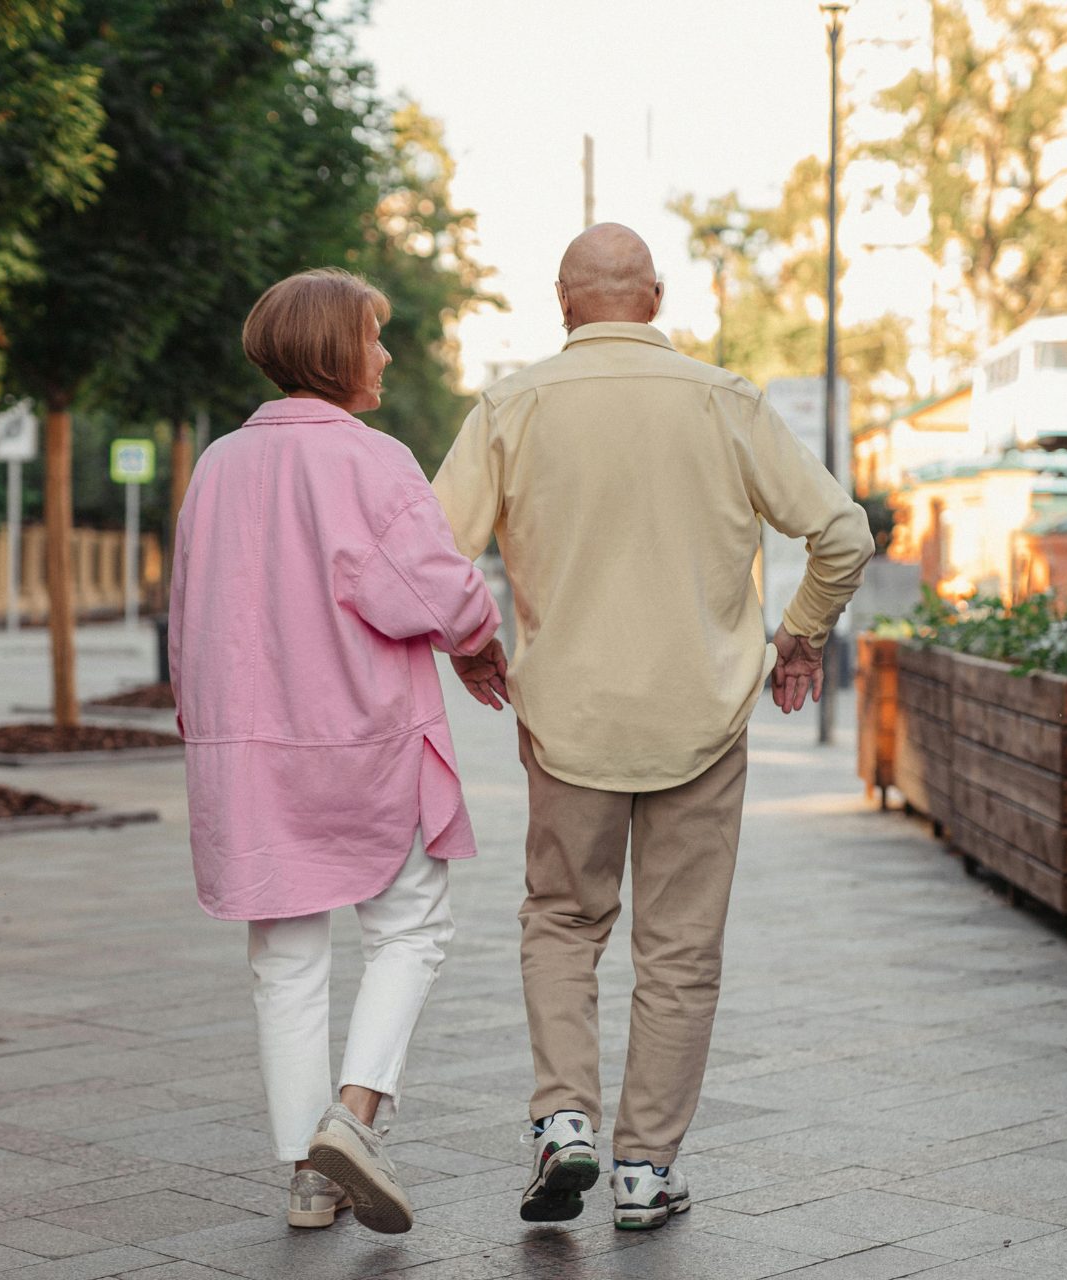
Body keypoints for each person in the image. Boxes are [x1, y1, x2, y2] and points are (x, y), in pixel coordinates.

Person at [433, 223, 872, 1230]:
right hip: (703, 718)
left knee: (561, 920)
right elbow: (841, 531)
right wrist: (798, 635)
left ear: (563, 302)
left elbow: (430, 547)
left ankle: (564, 1120)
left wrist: (473, 643)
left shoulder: (513, 404)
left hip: (567, 715)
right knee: (679, 946)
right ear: (657, 297)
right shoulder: (726, 402)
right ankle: (642, 1169)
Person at [170, 268, 508, 1235]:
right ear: (334, 349)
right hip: (360, 737)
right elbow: (432, 588)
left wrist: (202, 727)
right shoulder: (373, 460)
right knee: (409, 924)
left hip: (248, 747)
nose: (386, 353)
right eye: (373, 335)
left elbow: (187, 610)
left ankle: (308, 1176)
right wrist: (480, 643)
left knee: (285, 953)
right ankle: (352, 1118)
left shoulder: (217, 465)